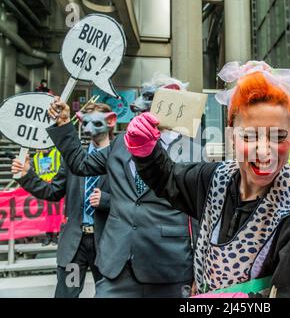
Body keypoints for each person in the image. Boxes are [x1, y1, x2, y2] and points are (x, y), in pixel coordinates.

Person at [124, 61, 290, 298]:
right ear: (231, 137)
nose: (263, 152)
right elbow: (169, 179)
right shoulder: (215, 178)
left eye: (278, 137)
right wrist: (146, 151)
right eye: (249, 137)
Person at [46, 76, 196, 298]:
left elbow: (198, 213)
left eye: (150, 98)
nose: (138, 105)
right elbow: (80, 163)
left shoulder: (192, 151)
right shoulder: (121, 143)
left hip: (168, 267)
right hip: (117, 265)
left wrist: (200, 270)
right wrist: (64, 123)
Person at [12, 102, 115, 298]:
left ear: (110, 122)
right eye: (85, 121)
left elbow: (134, 201)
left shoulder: (121, 157)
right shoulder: (75, 158)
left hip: (106, 245)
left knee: (108, 295)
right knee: (67, 294)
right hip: (76, 246)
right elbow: (52, 192)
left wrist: (106, 201)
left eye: (94, 120)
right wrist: (27, 175)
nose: (88, 126)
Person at [32, 147, 62, 245]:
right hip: (44, 188)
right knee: (47, 213)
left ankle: (57, 235)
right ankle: (48, 235)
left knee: (57, 212)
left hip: (56, 187)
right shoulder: (36, 157)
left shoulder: (57, 153)